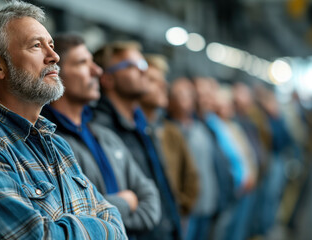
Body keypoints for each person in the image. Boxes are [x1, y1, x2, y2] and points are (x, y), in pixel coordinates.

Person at [0, 2, 126, 239]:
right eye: (36, 45)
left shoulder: (58, 145)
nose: (54, 56)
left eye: (51, 45)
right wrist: (101, 229)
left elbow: (115, 220)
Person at [40, 33, 161, 237]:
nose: (96, 71)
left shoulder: (105, 136)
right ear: (55, 73)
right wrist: (127, 202)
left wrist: (109, 221)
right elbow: (70, 220)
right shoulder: (48, 142)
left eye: (93, 63)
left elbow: (150, 200)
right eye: (82, 63)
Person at [93, 41, 182, 239]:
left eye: (143, 65)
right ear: (108, 80)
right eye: (132, 66)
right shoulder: (102, 130)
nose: (143, 72)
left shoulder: (141, 125)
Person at [138, 55, 199, 218]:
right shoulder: (128, 133)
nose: (164, 85)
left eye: (163, 80)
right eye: (152, 80)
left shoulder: (171, 131)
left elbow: (191, 176)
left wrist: (179, 209)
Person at [167, 77, 219, 240]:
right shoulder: (168, 131)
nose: (186, 99)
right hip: (186, 209)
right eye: (180, 94)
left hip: (207, 202)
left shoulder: (200, 128)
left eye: (189, 94)